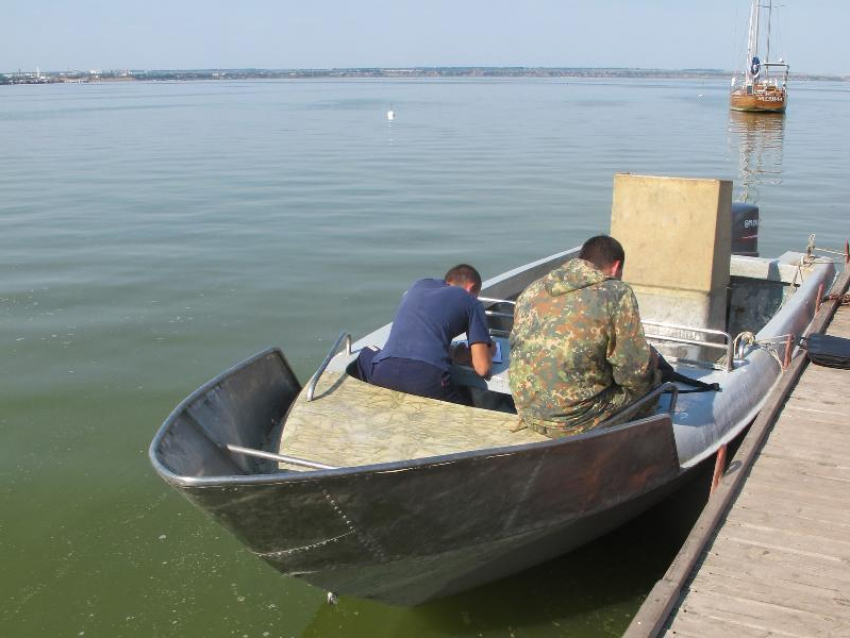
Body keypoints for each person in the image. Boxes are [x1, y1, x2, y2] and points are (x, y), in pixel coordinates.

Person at [509, 235, 659, 437]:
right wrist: (652, 367)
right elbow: (632, 373)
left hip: (528, 410)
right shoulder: (617, 292)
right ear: (616, 267)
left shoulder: (534, 288)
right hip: (575, 421)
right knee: (650, 384)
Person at [356, 264, 495, 405]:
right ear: (470, 288)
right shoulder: (470, 301)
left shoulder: (419, 285)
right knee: (469, 412)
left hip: (384, 372)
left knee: (365, 354)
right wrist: (488, 352)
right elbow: (482, 368)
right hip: (428, 380)